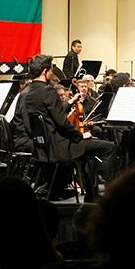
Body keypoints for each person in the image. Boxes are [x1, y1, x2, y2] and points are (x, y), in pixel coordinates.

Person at [17, 54, 116, 201]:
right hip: (59, 146)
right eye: (51, 70)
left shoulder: (29, 92)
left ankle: (91, 193)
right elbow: (62, 123)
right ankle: (108, 194)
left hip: (45, 144)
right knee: (109, 147)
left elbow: (50, 114)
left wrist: (69, 102)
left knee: (89, 151)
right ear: (45, 71)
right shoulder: (48, 90)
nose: (52, 73)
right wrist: (80, 135)